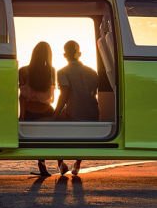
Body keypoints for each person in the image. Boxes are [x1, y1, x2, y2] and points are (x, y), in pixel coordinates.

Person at [53, 40, 100, 176]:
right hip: (92, 115)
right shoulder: (92, 72)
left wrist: (54, 115)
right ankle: (77, 164)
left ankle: (60, 163)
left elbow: (64, 94)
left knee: (54, 123)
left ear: (64, 55)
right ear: (79, 53)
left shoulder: (63, 72)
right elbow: (93, 94)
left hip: (74, 115)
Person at [18, 41, 56, 177]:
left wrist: (22, 117)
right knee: (55, 136)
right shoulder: (51, 71)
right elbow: (52, 96)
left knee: (37, 140)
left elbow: (22, 97)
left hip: (30, 112)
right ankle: (61, 162)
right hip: (47, 110)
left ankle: (41, 163)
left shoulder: (23, 71)